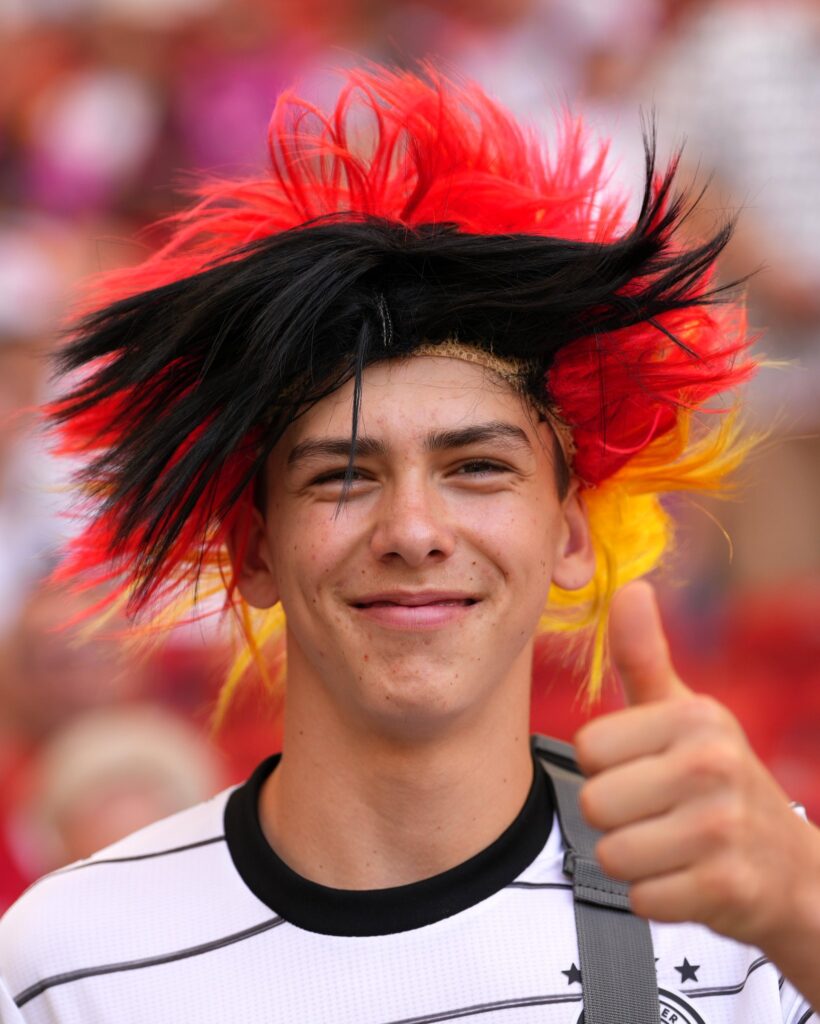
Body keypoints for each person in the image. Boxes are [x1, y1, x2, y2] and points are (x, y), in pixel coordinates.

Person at [0, 64, 817, 1024]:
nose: (415, 531)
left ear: (571, 531)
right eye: (342, 476)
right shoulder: (66, 960)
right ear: (255, 550)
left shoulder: (750, 902)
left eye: (477, 467)